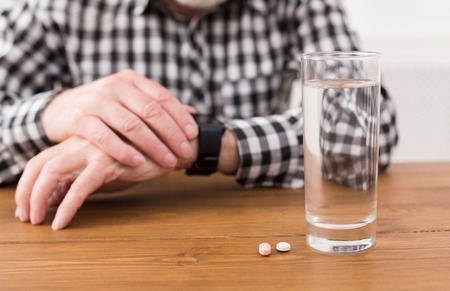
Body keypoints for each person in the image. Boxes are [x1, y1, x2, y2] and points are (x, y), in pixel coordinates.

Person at [0, 0, 398, 230]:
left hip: (250, 229)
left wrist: (198, 142)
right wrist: (53, 111)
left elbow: (368, 125)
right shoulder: (52, 6)